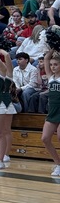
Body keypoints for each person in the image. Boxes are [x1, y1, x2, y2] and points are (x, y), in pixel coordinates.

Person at [39, 48, 60, 176]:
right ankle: (58, 164)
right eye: (51, 65)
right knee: (45, 138)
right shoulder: (50, 77)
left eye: (56, 64)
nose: (52, 67)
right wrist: (54, 46)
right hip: (52, 112)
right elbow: (46, 58)